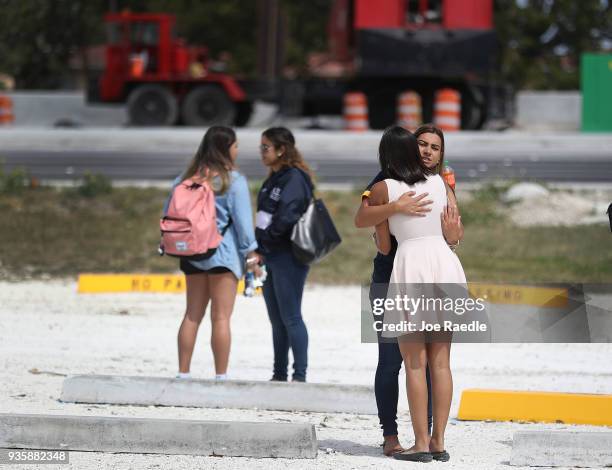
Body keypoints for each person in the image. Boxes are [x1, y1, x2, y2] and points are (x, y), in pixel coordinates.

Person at [354, 124, 462, 457]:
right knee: (438, 363)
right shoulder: (442, 183)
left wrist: (389, 218)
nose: (428, 151)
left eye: (434, 147)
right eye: (422, 145)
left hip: (407, 268)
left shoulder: (387, 186)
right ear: (411, 149)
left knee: (413, 364)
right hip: (443, 267)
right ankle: (435, 441)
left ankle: (420, 441)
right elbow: (453, 232)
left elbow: (381, 241)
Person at [171, 126, 259, 380]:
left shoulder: (186, 177)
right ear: (226, 147)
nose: (237, 150)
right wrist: (251, 255)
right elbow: (243, 225)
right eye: (235, 146)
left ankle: (183, 372)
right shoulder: (232, 180)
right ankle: (221, 375)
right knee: (220, 318)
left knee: (191, 315)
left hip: (191, 252)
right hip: (223, 254)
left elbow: (171, 212)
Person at [255, 127, 314, 383]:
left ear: (281, 150)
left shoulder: (294, 178)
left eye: (266, 147)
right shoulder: (273, 178)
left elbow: (287, 217)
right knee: (276, 320)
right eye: (261, 147)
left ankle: (299, 377)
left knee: (291, 316)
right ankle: (279, 375)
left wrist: (264, 243)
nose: (262, 152)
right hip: (269, 254)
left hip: (288, 256)